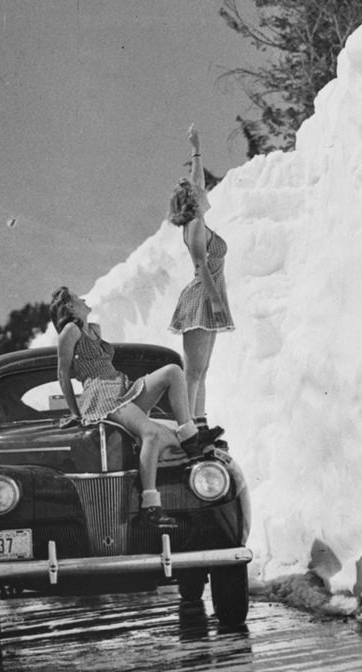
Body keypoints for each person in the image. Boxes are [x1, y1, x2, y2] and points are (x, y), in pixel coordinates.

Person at [50, 286, 220, 529]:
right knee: (150, 433)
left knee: (172, 372)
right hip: (103, 396)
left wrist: (95, 335)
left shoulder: (91, 330)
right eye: (78, 298)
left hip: (122, 388)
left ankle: (189, 436)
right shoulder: (69, 331)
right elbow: (62, 373)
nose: (84, 299)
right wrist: (76, 412)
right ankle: (150, 507)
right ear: (68, 307)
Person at [168, 124, 234, 437]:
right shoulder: (194, 227)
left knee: (202, 369)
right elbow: (203, 269)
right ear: (192, 202)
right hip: (201, 298)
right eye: (198, 194)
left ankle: (201, 421)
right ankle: (190, 427)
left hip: (208, 297)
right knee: (193, 370)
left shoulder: (199, 220)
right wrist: (217, 303)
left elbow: (197, 181)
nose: (203, 192)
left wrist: (196, 149)